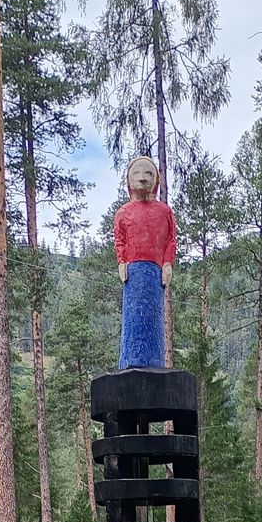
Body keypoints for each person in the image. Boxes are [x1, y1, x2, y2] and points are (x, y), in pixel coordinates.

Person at [114, 155, 176, 370]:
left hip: (154, 272)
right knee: (133, 319)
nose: (142, 178)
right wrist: (122, 262)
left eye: (148, 173)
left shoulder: (164, 212)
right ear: (128, 179)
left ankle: (154, 361)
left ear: (156, 179)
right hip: (132, 273)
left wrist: (167, 263)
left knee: (153, 319)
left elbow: (170, 239)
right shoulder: (123, 213)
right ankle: (130, 361)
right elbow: (119, 239)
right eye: (137, 173)